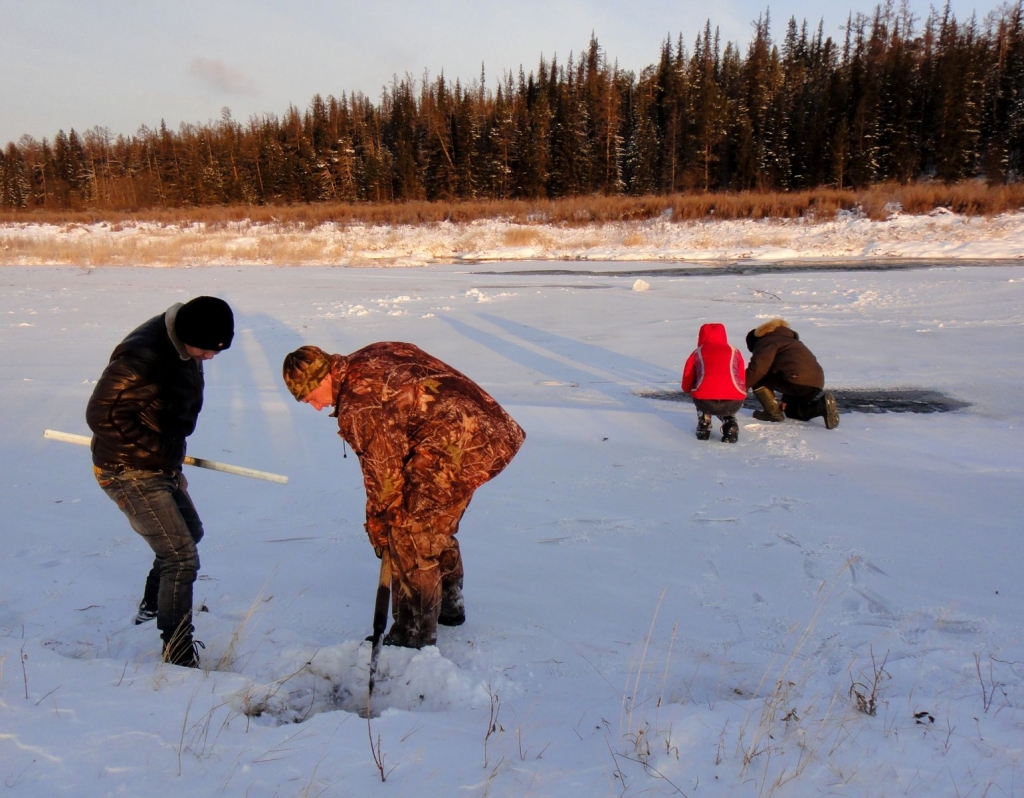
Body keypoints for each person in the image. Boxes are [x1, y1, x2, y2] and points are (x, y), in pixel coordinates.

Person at [282, 342, 525, 650]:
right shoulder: (371, 355)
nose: (317, 407)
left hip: (455, 449)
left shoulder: (360, 403)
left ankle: (412, 636)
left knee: (407, 533)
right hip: (486, 430)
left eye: (310, 398)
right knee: (435, 526)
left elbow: (384, 479)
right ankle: (450, 604)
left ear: (323, 379)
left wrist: (380, 530)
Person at [86, 296, 234, 667]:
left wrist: (168, 460)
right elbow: (102, 415)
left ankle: (152, 607)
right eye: (207, 349)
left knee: (189, 533)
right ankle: (178, 652)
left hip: (156, 462)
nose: (211, 358)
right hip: (127, 469)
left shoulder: (181, 345)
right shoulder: (143, 359)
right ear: (186, 336)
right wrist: (161, 454)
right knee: (180, 557)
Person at [744, 318, 839, 429]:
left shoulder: (766, 341)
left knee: (758, 377)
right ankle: (821, 406)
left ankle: (772, 413)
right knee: (792, 411)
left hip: (796, 381)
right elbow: (790, 367)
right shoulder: (792, 342)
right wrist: (786, 400)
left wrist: (741, 388)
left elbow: (757, 370)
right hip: (816, 383)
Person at [681, 322, 746, 443]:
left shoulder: (698, 352)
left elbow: (688, 376)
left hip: (705, 401)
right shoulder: (734, 351)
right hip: (734, 401)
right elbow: (741, 376)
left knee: (701, 389)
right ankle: (730, 422)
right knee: (728, 393)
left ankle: (704, 423)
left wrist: (687, 389)